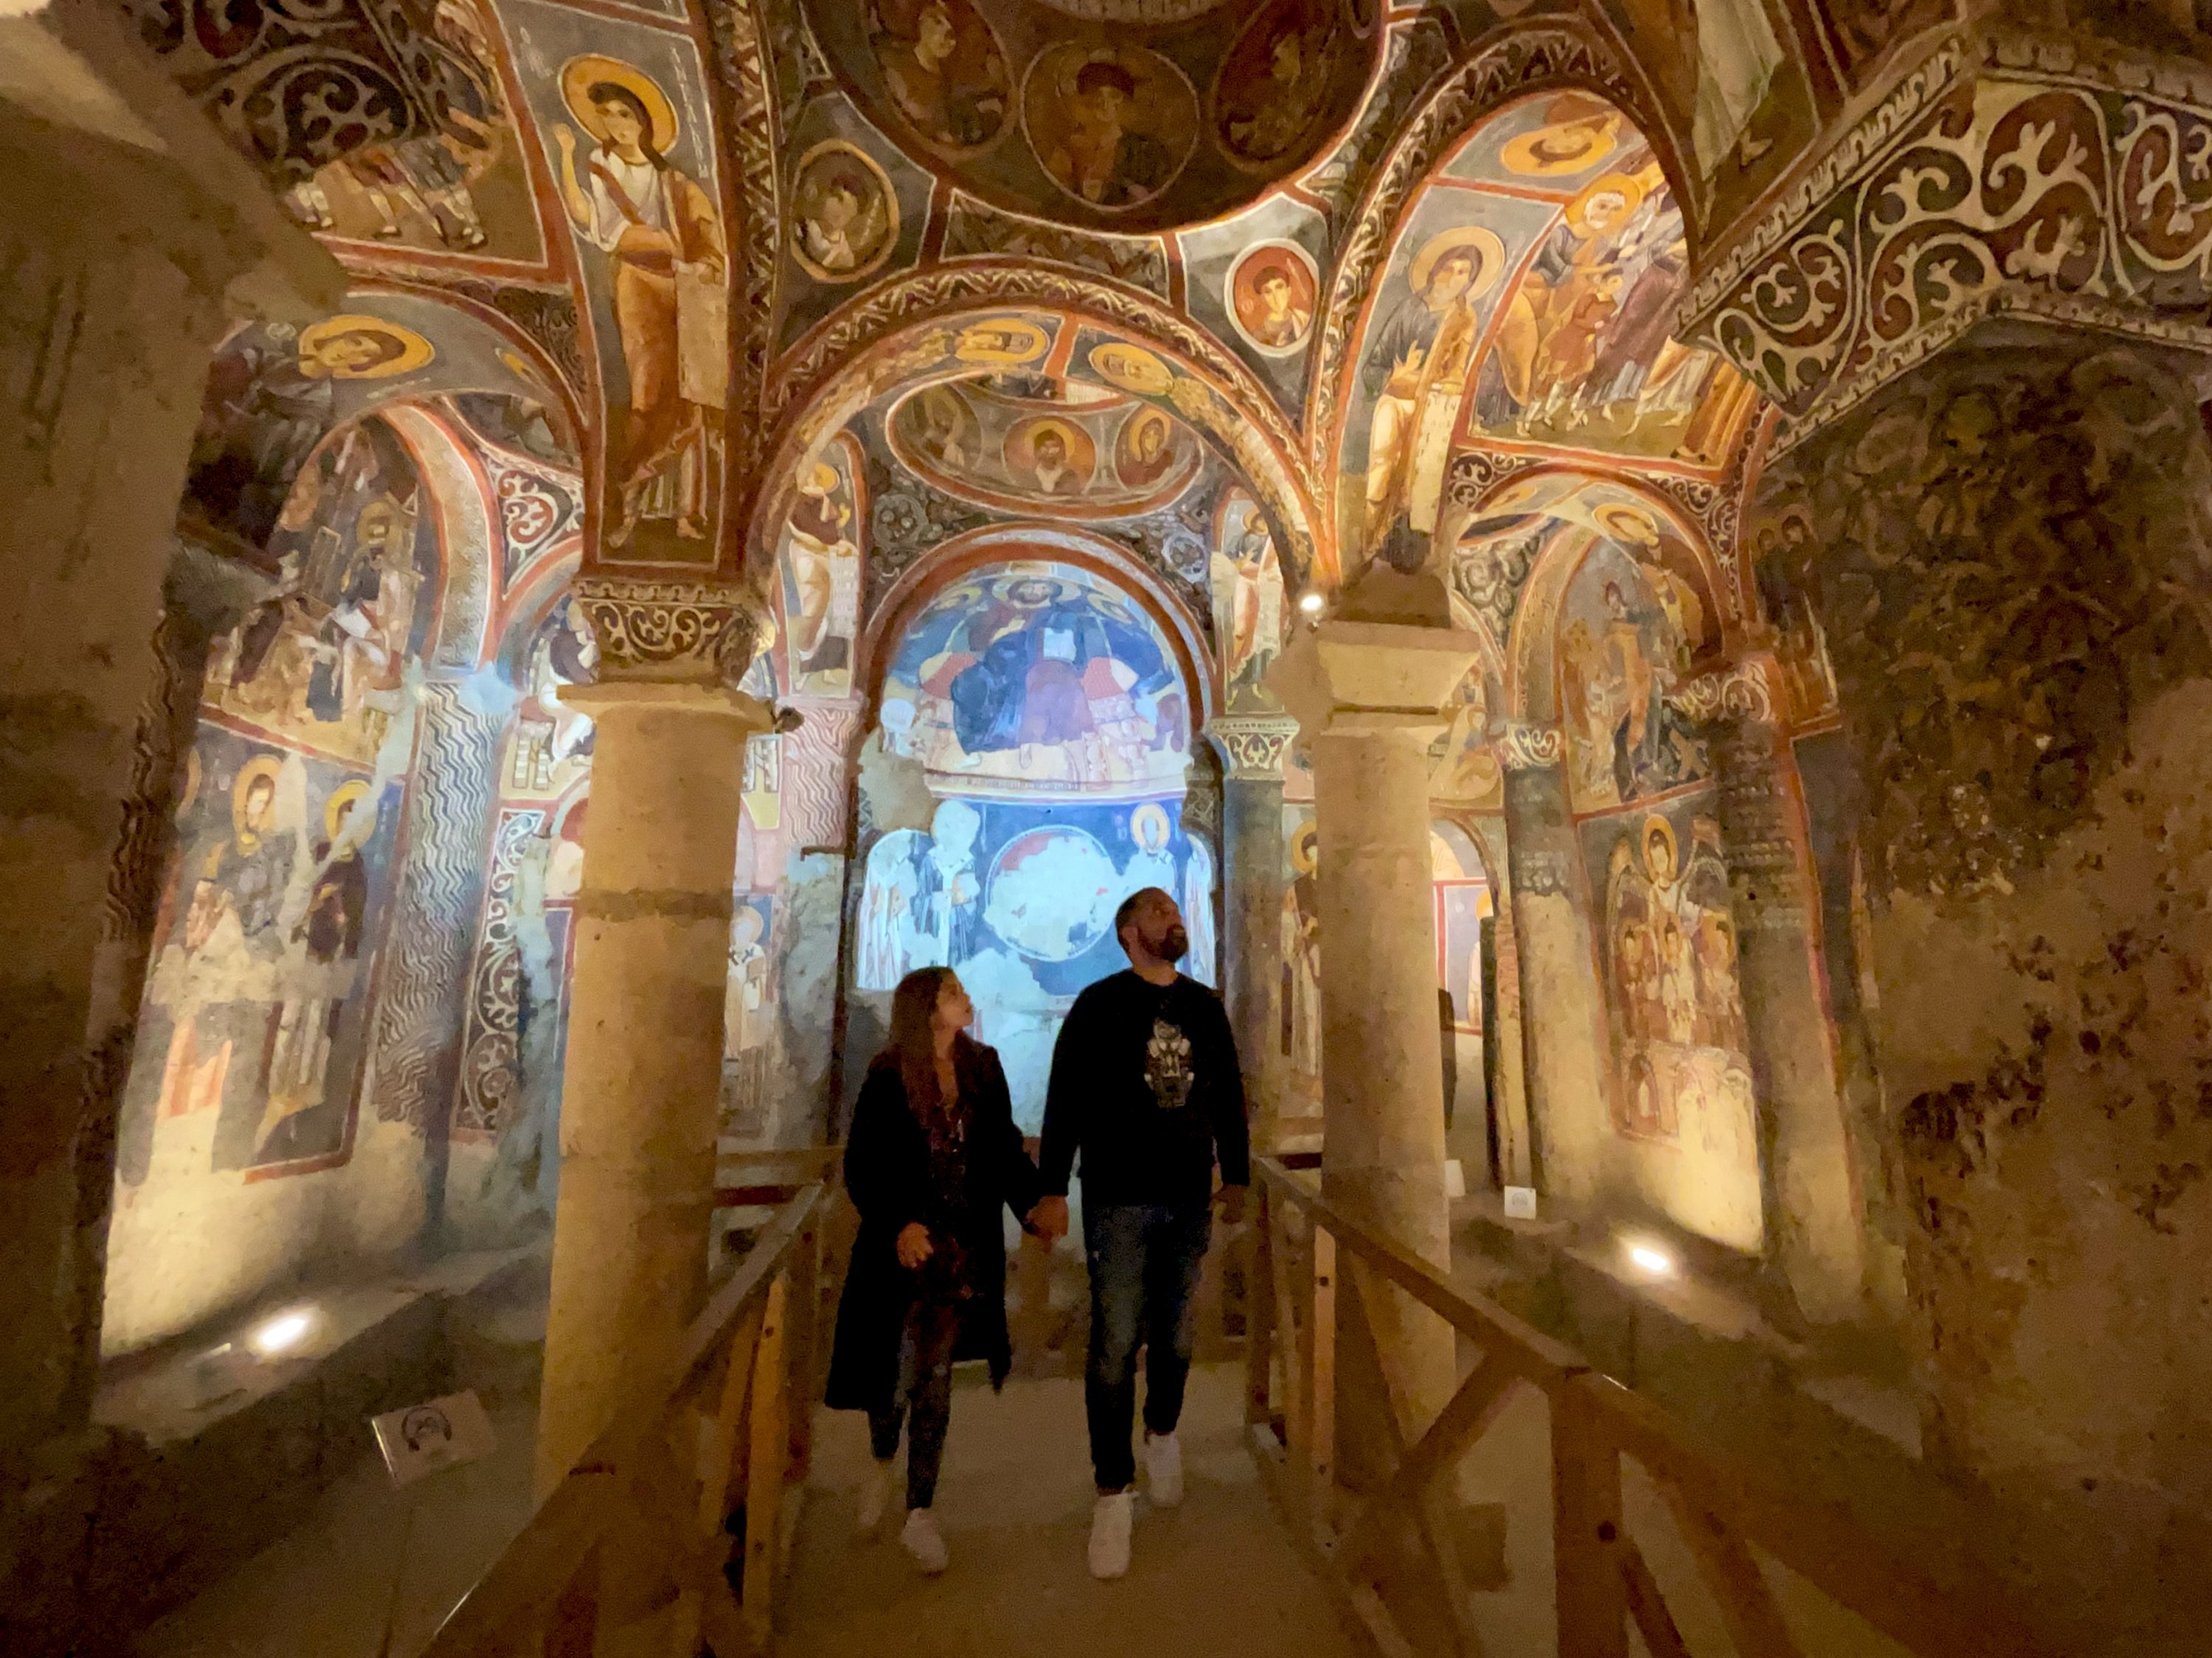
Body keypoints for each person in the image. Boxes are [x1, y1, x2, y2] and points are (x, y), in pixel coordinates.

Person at [1032, 886, 1250, 1580]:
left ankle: (1161, 1431)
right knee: (1116, 1339)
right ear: (1130, 931)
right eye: (1157, 911)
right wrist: (1050, 1186)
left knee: (1179, 1334)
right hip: (1117, 1197)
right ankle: (1111, 1491)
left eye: (1174, 909)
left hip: (1188, 1195)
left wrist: (1237, 1172)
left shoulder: (1204, 1006)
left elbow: (1227, 1093)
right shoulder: (1100, 1005)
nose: (1173, 916)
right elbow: (1065, 1096)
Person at [824, 967, 1042, 1575]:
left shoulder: (983, 1066)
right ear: (926, 1010)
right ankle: (881, 1455)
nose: (965, 997)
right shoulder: (889, 1075)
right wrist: (898, 1224)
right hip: (900, 1253)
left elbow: (1002, 1145)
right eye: (952, 992)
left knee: (934, 1377)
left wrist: (1031, 1204)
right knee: (890, 1378)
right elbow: (863, 1163)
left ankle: (920, 1510)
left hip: (960, 1249)